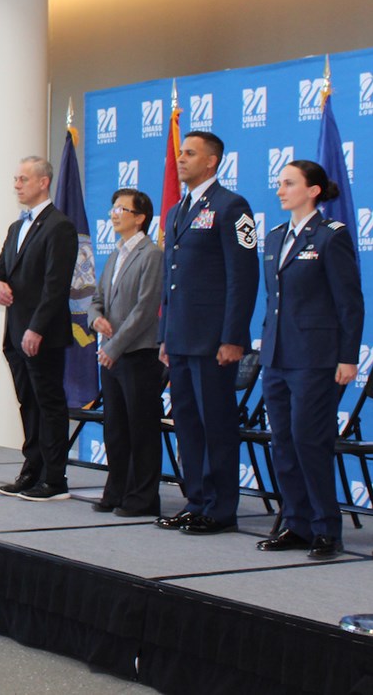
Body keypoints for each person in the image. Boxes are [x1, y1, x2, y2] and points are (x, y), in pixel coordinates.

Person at [254, 160, 362, 560]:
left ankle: (325, 529)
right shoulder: (275, 236)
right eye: (280, 183)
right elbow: (274, 301)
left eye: (289, 183)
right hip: (278, 355)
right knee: (282, 441)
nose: (280, 190)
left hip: (315, 357)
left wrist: (347, 357)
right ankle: (295, 523)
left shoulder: (331, 236)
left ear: (313, 190)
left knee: (308, 440)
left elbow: (349, 302)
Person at [155, 131, 259, 535]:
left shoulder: (233, 207)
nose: (181, 159)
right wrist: (165, 335)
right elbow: (171, 280)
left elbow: (243, 277)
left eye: (190, 153)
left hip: (215, 341)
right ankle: (196, 499)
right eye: (181, 153)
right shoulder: (178, 210)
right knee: (188, 424)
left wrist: (233, 337)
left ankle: (220, 508)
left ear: (212, 161)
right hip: (180, 339)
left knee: (215, 424)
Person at [0, 156, 79, 501]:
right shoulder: (16, 227)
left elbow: (56, 285)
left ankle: (55, 479)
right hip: (15, 332)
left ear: (43, 182)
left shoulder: (59, 226)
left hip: (42, 335)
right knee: (28, 402)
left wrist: (37, 328)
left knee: (49, 403)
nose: (16, 184)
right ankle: (32, 469)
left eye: (23, 178)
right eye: (15, 178)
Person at [87, 189, 164, 517]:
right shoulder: (116, 253)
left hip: (137, 354)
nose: (114, 214)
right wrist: (96, 319)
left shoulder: (152, 254)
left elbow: (145, 309)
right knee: (115, 427)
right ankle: (116, 490)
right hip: (111, 355)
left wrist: (114, 348)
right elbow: (96, 299)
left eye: (122, 209)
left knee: (141, 428)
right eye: (113, 207)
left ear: (140, 217)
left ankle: (143, 497)